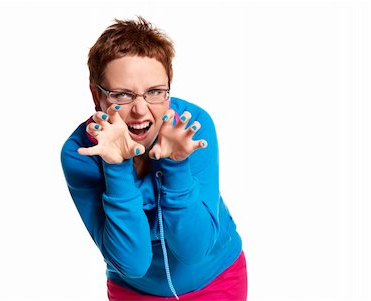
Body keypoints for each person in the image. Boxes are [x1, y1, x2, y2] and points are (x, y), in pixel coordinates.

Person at [60, 16, 247, 301]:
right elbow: (132, 264)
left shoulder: (192, 126)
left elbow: (194, 251)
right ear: (96, 95)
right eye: (122, 95)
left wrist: (177, 165)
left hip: (216, 280)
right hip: (135, 291)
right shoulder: (82, 154)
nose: (140, 110)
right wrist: (116, 167)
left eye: (155, 92)